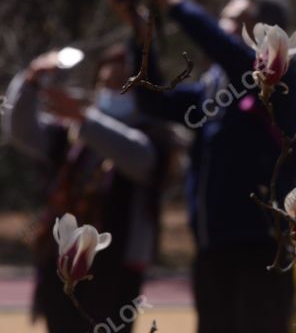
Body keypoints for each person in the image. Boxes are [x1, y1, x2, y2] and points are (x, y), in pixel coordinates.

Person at [120, 0, 296, 333]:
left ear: (268, 31)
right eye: (224, 17)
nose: (224, 25)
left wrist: (175, 3)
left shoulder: (281, 77)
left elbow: (232, 55)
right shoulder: (214, 87)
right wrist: (140, 36)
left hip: (263, 247)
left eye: (238, 20)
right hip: (212, 246)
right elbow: (153, 101)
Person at [2, 45, 172, 333]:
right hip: (61, 261)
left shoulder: (151, 132)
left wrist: (83, 118)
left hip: (117, 266)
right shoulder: (69, 132)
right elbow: (22, 131)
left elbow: (140, 159)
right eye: (105, 82)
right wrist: (30, 80)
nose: (111, 90)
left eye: (122, 83)